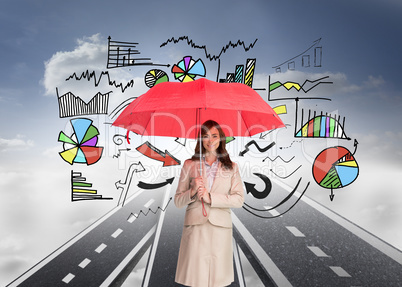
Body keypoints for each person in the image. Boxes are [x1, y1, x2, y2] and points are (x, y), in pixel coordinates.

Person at [174, 120, 244, 287]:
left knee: (218, 280)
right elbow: (177, 201)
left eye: (214, 136)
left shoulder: (232, 167)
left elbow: (238, 199)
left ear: (221, 139)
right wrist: (192, 192)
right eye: (205, 136)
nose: (210, 140)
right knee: (195, 279)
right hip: (196, 227)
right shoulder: (189, 165)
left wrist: (210, 197)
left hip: (220, 228)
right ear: (200, 139)